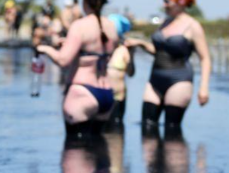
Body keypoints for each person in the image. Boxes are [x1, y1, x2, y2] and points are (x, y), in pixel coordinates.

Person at [125, 0, 211, 138]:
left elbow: (205, 58)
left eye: (167, 1)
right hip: (155, 79)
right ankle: (152, 160)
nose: (164, 5)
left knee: (171, 130)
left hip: (179, 79)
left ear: (181, 2)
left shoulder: (193, 26)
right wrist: (141, 43)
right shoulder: (165, 22)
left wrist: (204, 87)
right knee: (147, 126)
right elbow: (159, 50)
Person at [37, 0, 119, 135]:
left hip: (82, 92)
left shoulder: (80, 26)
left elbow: (63, 60)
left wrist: (45, 49)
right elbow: (104, 54)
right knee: (99, 148)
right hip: (107, 93)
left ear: (85, 3)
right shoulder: (111, 26)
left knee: (75, 149)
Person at [106, 14, 135, 130]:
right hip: (103, 95)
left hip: (118, 96)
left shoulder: (124, 50)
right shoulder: (101, 47)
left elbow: (131, 73)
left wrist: (131, 56)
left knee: (115, 129)